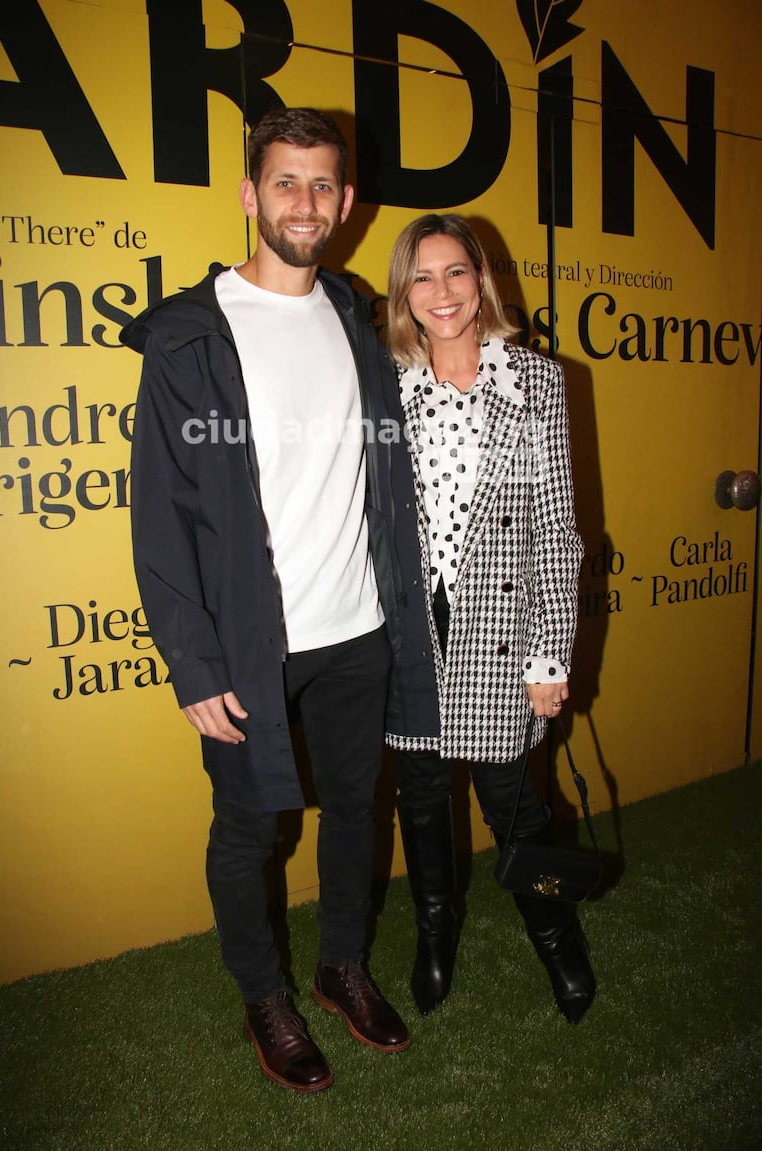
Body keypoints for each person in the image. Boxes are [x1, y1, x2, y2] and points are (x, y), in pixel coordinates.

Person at [121, 108, 438, 1093]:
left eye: (321, 184)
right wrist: (193, 661)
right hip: (249, 641)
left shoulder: (355, 317)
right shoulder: (190, 335)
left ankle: (341, 965)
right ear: (250, 195)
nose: (304, 202)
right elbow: (159, 517)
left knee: (353, 808)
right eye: (285, 182)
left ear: (346, 202)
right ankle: (263, 994)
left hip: (357, 629)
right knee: (248, 826)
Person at [385, 213, 596, 1024]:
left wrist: (548, 656)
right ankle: (435, 930)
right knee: (421, 795)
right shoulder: (386, 386)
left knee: (513, 800)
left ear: (481, 280)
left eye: (455, 272)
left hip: (497, 628)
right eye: (421, 276)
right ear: (404, 292)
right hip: (411, 628)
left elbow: (556, 529)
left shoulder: (536, 381)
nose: (440, 291)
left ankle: (553, 933)